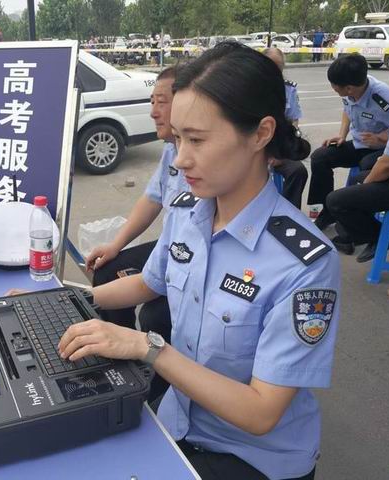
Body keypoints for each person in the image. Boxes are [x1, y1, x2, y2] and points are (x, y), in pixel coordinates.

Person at [58, 43, 339, 480]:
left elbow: (262, 412)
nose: (180, 158)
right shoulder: (188, 211)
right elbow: (149, 284)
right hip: (179, 418)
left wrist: (148, 347)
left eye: (197, 140)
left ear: (261, 134)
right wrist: (61, 300)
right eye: (177, 139)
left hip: (251, 455)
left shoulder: (304, 264)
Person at [86, 65, 189, 402]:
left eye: (162, 102)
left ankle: (157, 385)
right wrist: (115, 245)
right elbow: (153, 199)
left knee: (156, 315)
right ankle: (122, 354)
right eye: (151, 101)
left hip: (187, 255)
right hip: (173, 248)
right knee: (106, 270)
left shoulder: (205, 168)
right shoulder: (172, 150)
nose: (153, 111)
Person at [325, 36, 389, 262]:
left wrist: (366, 186)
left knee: (337, 200)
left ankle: (381, 238)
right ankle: (352, 235)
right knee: (358, 180)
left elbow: (388, 164)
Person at [307, 54, 389, 231]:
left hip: (384, 149)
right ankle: (327, 211)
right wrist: (342, 135)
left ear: (349, 88)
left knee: (366, 165)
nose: (334, 90)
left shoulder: (386, 99)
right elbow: (347, 109)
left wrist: (381, 138)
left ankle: (362, 220)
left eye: (336, 88)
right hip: (360, 144)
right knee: (320, 157)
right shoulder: (352, 87)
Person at [264, 47, 309, 209]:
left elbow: (294, 122)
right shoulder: (249, 87)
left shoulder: (288, 89)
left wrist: (283, 151)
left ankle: (287, 211)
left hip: (278, 146)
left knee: (298, 171)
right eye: (272, 65)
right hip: (254, 148)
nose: (276, 71)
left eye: (280, 66)